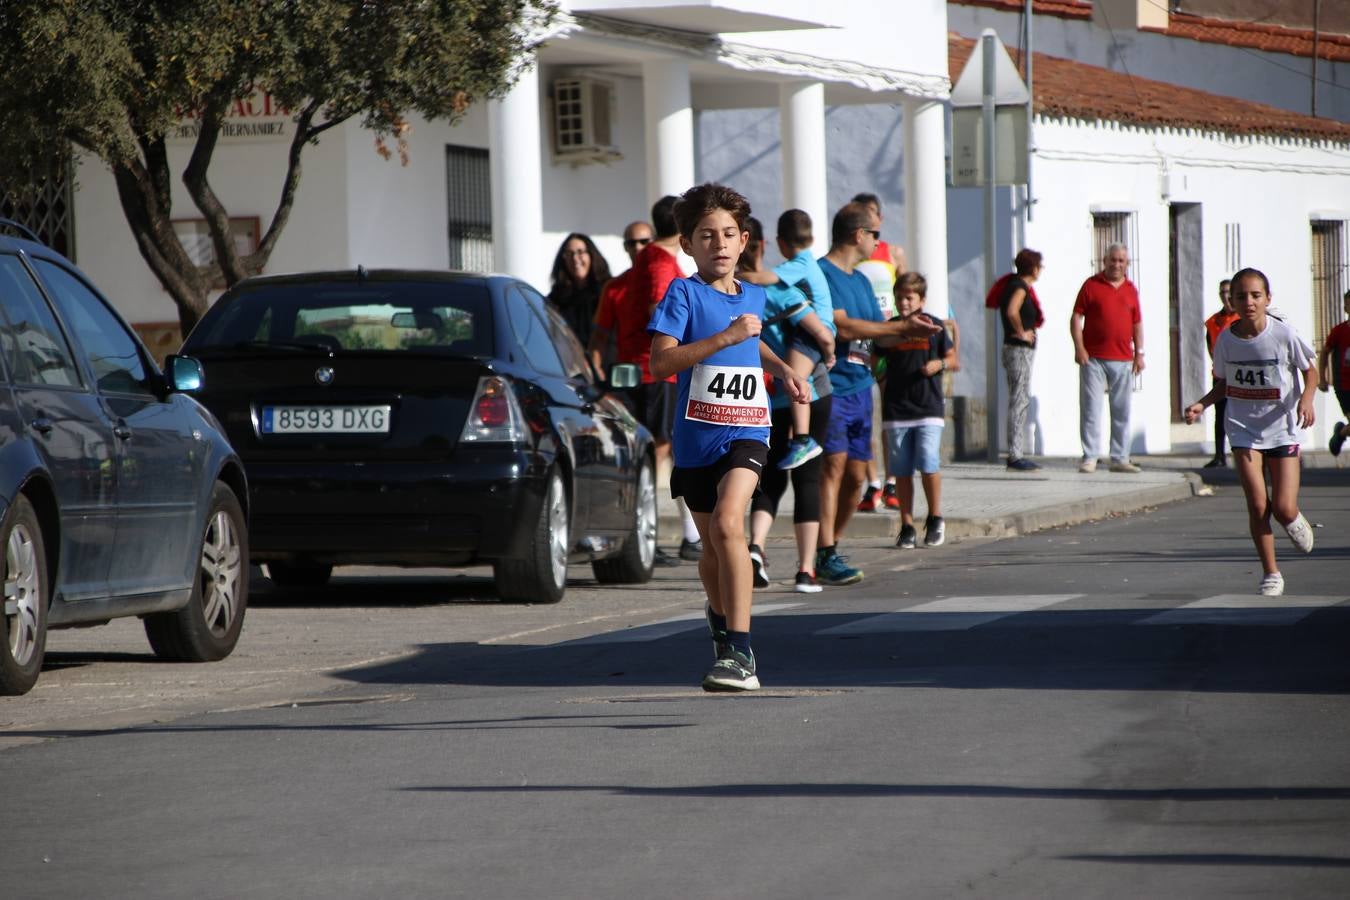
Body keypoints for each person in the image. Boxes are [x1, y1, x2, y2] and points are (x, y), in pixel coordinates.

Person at [648, 183, 809, 692]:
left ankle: (739, 652)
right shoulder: (683, 294)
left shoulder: (755, 297)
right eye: (706, 235)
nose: (718, 244)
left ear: (744, 242)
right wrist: (724, 338)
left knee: (726, 524)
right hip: (696, 438)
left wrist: (783, 369)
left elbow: (751, 345)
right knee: (712, 550)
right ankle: (721, 620)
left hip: (747, 429)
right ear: (688, 245)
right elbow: (660, 363)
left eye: (728, 234)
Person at [816, 202, 941, 585]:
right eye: (875, 234)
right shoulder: (822, 275)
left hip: (860, 388)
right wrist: (902, 330)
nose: (878, 241)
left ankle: (830, 547)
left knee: (857, 477)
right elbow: (847, 328)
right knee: (833, 467)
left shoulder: (862, 280)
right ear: (858, 235)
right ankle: (823, 550)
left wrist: (906, 326)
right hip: (832, 387)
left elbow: (875, 327)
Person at [1184, 267, 1316, 597]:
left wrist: (1306, 399)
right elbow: (1224, 382)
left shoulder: (1283, 334)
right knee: (1258, 505)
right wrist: (1202, 404)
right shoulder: (1226, 339)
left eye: (1255, 295)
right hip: (1243, 431)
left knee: (1283, 507)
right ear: (1232, 300)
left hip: (1282, 429)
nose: (1248, 302)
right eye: (1241, 296)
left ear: (1267, 299)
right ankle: (1271, 573)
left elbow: (1310, 371)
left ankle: (1294, 518)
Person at [739, 216, 835, 593]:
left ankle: (756, 549)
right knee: (808, 478)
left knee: (769, 480)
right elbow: (820, 331)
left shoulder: (736, 297)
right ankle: (806, 570)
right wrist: (830, 351)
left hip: (768, 397)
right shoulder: (781, 289)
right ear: (762, 246)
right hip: (809, 392)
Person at [604, 196, 703, 562]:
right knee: (660, 453)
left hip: (649, 369)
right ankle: (647, 538)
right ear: (682, 227)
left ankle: (675, 536)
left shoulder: (650, 260)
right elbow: (660, 312)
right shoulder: (660, 262)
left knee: (664, 452)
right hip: (656, 371)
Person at [738, 208, 835, 471]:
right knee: (795, 379)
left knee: (795, 381)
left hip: (814, 332)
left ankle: (803, 439)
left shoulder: (800, 263)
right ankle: (801, 438)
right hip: (816, 332)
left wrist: (740, 278)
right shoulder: (809, 261)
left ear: (781, 242)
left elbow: (766, 278)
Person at [876, 272, 956, 548]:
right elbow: (877, 355)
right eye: (899, 297)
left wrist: (940, 365)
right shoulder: (890, 327)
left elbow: (952, 357)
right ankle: (907, 524)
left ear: (921, 299)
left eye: (909, 297)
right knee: (901, 469)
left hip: (928, 406)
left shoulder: (933, 326)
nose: (903, 302)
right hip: (896, 408)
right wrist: (880, 375)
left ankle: (935, 517)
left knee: (928, 461)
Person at [851, 192, 907, 512]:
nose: (868, 224)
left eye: (871, 217)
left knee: (890, 414)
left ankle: (892, 482)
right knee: (865, 414)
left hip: (886, 337)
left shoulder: (894, 253)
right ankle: (871, 483)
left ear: (880, 219)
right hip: (861, 337)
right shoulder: (853, 255)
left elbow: (908, 291)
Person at [1071, 243, 1144, 474]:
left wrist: (1139, 353)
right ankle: (1090, 456)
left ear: (1127, 264)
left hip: (1123, 359)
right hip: (1093, 358)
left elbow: (1137, 323)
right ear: (1105, 261)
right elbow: (1075, 318)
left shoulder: (1131, 289)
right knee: (1091, 408)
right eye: (1113, 260)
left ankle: (1120, 458)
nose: (1116, 264)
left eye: (1121, 261)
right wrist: (1079, 347)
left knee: (1121, 409)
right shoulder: (1091, 285)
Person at [1000, 249, 1045, 471]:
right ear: (1033, 268)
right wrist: (1021, 332)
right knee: (1019, 400)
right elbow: (1011, 311)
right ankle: (1015, 454)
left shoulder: (1017, 285)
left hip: (1018, 350)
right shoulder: (1019, 287)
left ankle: (1015, 453)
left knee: (1019, 398)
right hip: (1018, 350)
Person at [588, 220, 653, 374]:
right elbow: (600, 334)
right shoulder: (614, 287)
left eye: (644, 242)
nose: (638, 247)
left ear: (654, 244)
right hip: (627, 375)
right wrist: (595, 369)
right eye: (631, 243)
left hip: (664, 375)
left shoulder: (671, 280)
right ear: (625, 247)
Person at [546, 233, 611, 349]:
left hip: (605, 363)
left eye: (580, 252)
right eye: (569, 254)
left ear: (591, 255)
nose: (575, 259)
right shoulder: (556, 298)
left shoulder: (608, 291)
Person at [1202, 279, 1239, 467]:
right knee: (1220, 416)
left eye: (1228, 292)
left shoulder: (1243, 318)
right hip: (1221, 375)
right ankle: (1219, 455)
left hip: (1241, 376)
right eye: (1222, 292)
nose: (1225, 296)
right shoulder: (1213, 321)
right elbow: (1210, 347)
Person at [1316, 288, 1350, 457]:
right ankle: (1341, 434)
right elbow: (1324, 353)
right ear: (1346, 308)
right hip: (1344, 385)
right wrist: (1322, 378)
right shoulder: (1339, 331)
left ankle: (1341, 432)